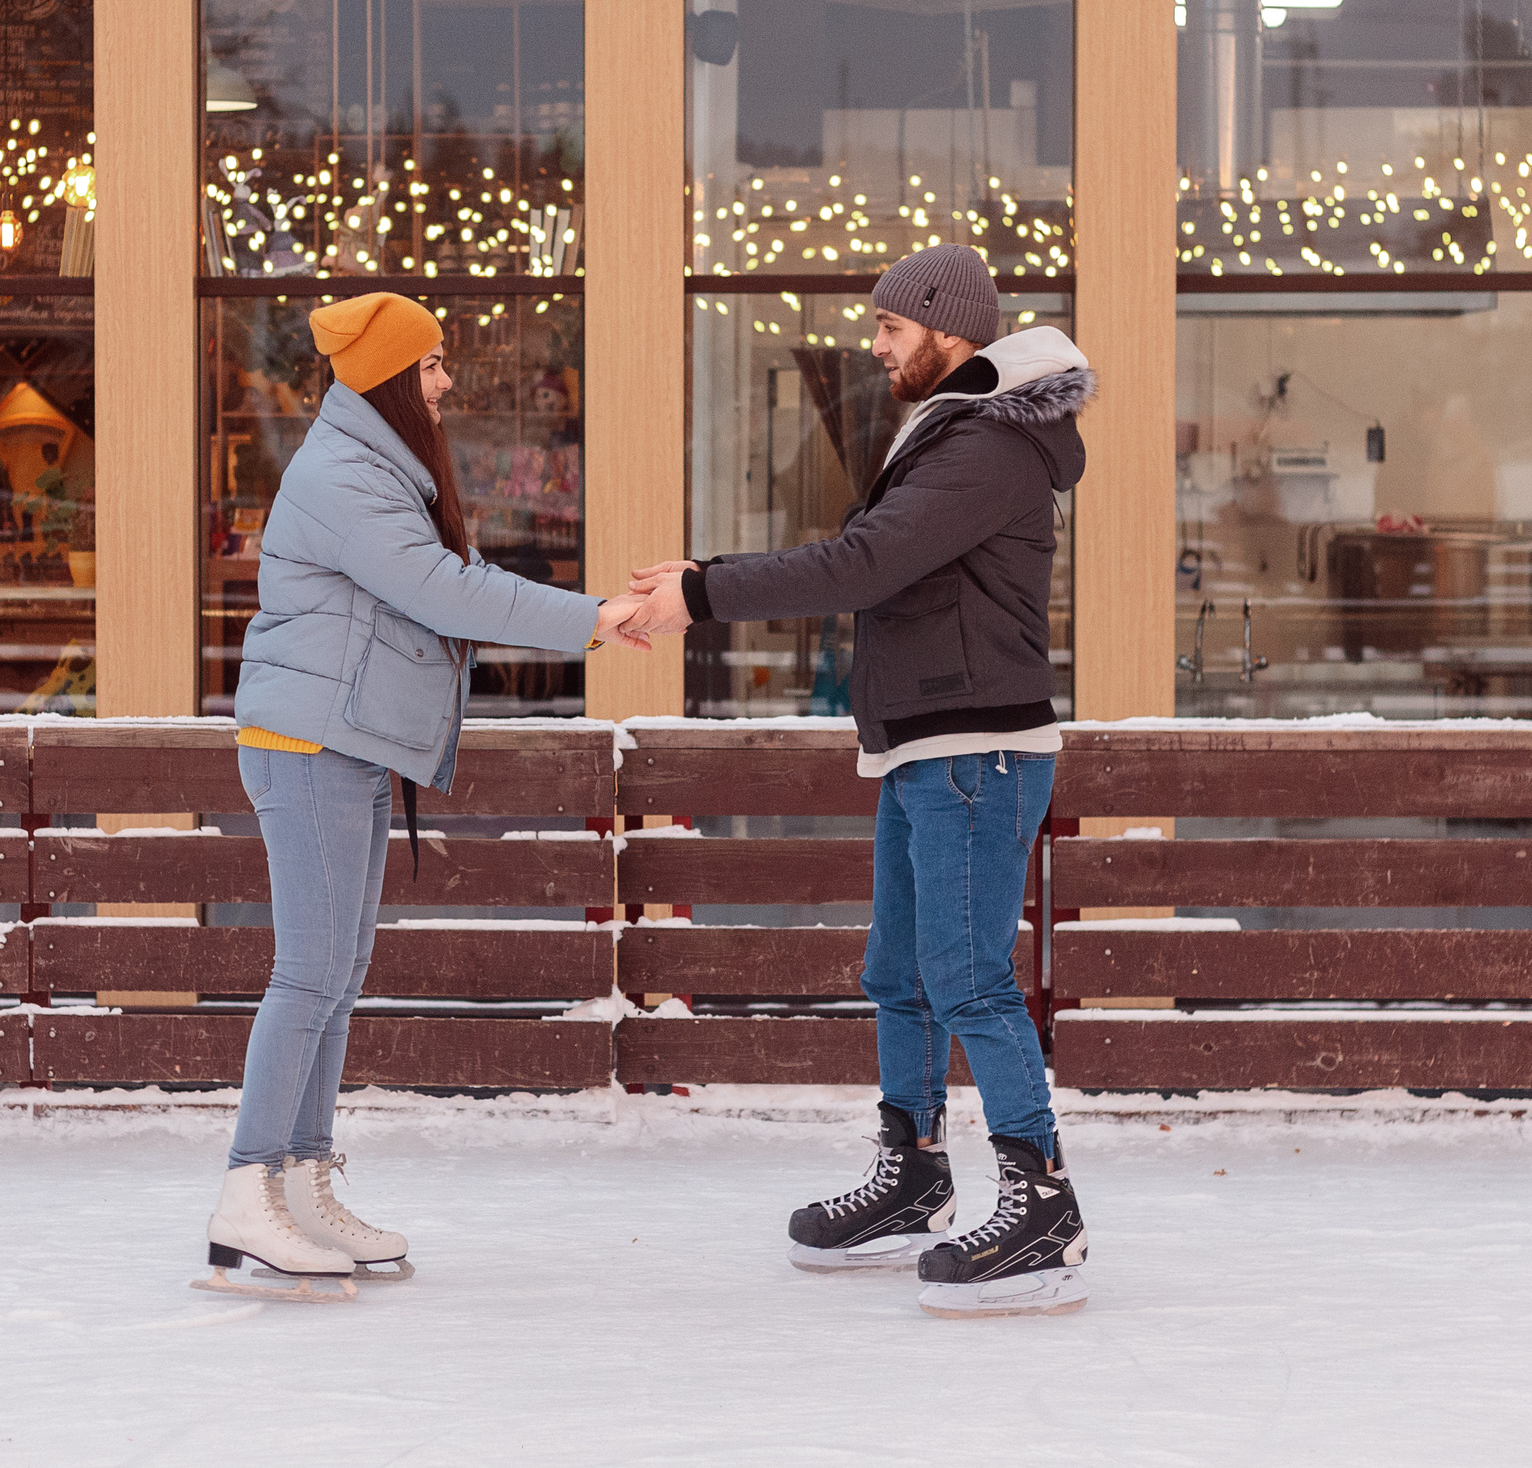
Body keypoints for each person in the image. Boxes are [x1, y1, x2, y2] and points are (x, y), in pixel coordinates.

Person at [624, 244, 1096, 1319]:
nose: (874, 347)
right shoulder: (955, 431)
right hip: (924, 741)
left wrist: (701, 593)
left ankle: (1041, 1200)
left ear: (947, 329)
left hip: (974, 746)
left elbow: (865, 562)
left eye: (889, 328)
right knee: (900, 970)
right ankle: (916, 1172)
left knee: (968, 976)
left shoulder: (986, 445)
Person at [200, 291, 650, 1303]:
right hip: (308, 741)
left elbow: (460, 575)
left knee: (338, 969)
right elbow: (446, 593)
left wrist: (588, 616)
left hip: (346, 739)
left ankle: (304, 1185)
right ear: (393, 377)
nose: (448, 382)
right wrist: (594, 616)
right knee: (309, 972)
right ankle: (246, 1193)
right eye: (434, 364)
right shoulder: (341, 476)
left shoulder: (379, 468)